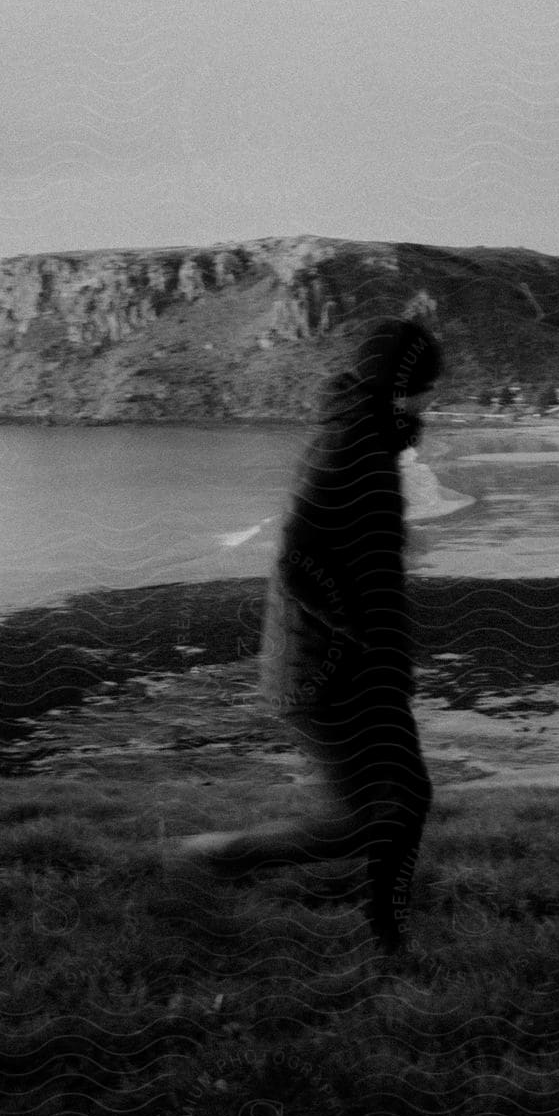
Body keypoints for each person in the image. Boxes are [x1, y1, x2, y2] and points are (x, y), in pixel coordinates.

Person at [177, 317, 443, 952]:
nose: (436, 399)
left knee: (405, 801)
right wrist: (358, 634)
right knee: (361, 818)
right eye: (431, 384)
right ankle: (211, 858)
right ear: (405, 385)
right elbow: (296, 558)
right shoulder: (351, 447)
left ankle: (390, 940)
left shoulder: (369, 438)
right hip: (325, 671)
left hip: (359, 667)